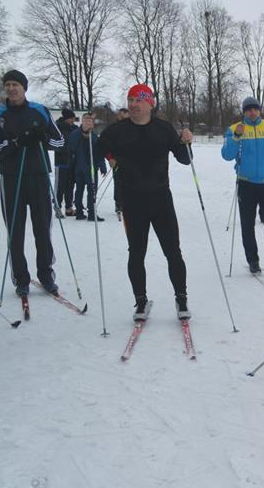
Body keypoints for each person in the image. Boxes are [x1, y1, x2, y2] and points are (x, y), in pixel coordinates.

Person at [96, 83, 194, 321]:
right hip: (132, 201)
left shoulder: (163, 129)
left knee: (173, 251)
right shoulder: (117, 130)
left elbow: (184, 159)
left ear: (150, 103)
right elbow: (98, 148)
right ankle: (140, 301)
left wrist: (186, 142)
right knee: (136, 253)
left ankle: (181, 299)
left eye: (139, 100)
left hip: (161, 199)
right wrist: (110, 159)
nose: (133, 105)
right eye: (130, 100)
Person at [0, 70, 65, 296]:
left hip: (39, 176)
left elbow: (59, 142)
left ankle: (46, 274)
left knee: (42, 228)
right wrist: (15, 143)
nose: (12, 89)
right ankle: (21, 278)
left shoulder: (39, 111)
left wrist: (42, 137)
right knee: (16, 230)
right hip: (11, 179)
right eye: (8, 85)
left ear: (24, 87)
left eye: (16, 85)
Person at [220, 96, 264, 275]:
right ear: (244, 111)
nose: (252, 112)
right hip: (246, 183)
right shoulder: (234, 129)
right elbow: (227, 155)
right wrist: (236, 136)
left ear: (259, 110)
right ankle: (253, 260)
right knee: (247, 225)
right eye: (248, 109)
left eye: (255, 109)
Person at [65, 113, 107, 221]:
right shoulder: (74, 134)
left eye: (90, 122)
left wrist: (102, 166)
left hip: (92, 168)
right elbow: (70, 149)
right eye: (86, 121)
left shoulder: (94, 137)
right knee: (79, 190)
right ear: (82, 122)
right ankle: (79, 211)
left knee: (92, 190)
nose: (88, 123)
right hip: (79, 167)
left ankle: (91, 213)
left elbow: (99, 153)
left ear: (93, 124)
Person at [53, 108, 78, 217]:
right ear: (66, 118)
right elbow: (56, 143)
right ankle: (57, 207)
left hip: (72, 161)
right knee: (60, 186)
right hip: (62, 161)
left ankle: (68, 208)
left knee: (70, 185)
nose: (73, 121)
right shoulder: (58, 127)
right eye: (71, 119)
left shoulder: (74, 129)